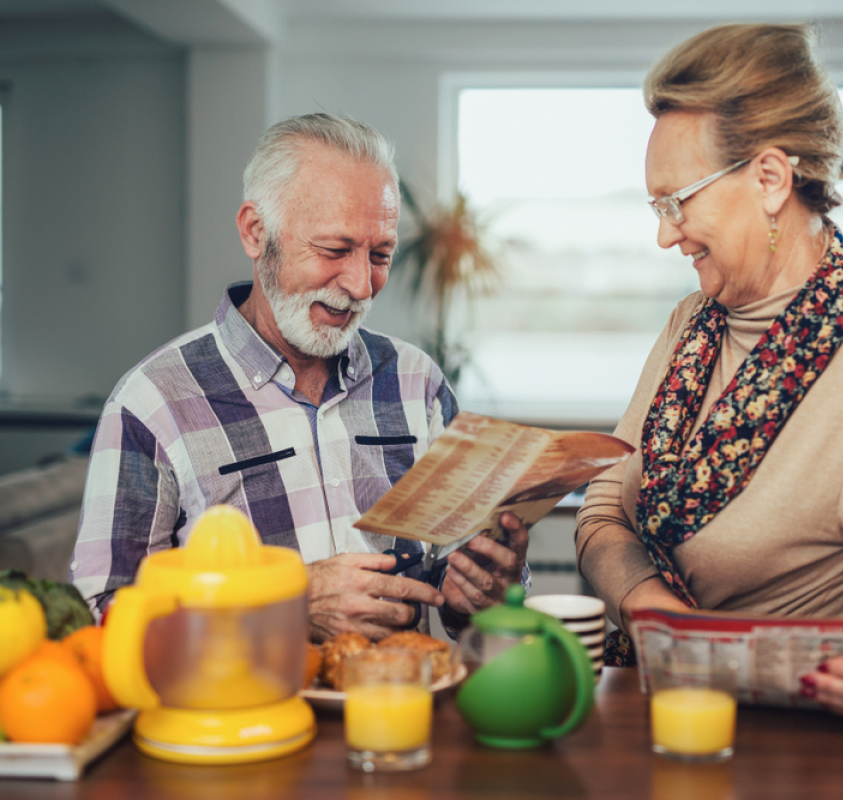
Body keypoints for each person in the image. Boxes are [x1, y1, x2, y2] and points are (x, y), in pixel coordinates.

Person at [574, 23, 843, 734]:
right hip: (664, 727)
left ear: (770, 179)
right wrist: (659, 619)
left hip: (803, 761)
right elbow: (604, 508)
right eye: (657, 208)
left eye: (679, 202)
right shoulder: (691, 325)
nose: (665, 235)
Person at [71, 114, 528, 642]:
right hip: (245, 719)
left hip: (400, 713)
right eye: (334, 250)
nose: (361, 285)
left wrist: (485, 589)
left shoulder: (416, 381)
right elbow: (101, 620)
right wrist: (283, 603)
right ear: (255, 231)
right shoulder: (152, 402)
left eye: (380, 255)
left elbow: (466, 589)